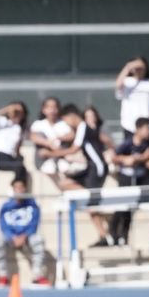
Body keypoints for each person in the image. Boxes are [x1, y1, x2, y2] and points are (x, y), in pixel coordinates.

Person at [59, 104, 112, 247]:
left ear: (71, 116)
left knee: (90, 202)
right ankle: (93, 205)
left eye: (66, 121)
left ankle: (104, 235)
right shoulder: (81, 129)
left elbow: (74, 148)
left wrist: (53, 153)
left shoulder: (83, 126)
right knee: (64, 184)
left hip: (97, 168)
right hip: (90, 168)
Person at [109, 117, 149, 245]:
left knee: (131, 208)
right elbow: (115, 157)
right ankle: (113, 233)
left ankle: (124, 236)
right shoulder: (128, 143)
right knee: (121, 206)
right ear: (139, 129)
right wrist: (127, 159)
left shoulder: (147, 145)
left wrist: (141, 158)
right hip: (126, 178)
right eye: (146, 128)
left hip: (138, 178)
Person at [0, 174, 47, 286]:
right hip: (11, 237)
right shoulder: (6, 206)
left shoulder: (32, 205)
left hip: (26, 237)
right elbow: (3, 225)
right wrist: (12, 236)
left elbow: (34, 223)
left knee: (38, 240)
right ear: (13, 189)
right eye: (16, 187)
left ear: (25, 188)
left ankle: (38, 275)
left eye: (21, 187)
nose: (19, 190)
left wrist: (25, 236)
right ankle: (3, 276)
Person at [30, 97, 79, 190]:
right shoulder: (38, 124)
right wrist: (48, 143)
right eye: (49, 107)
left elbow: (72, 135)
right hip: (44, 160)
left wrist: (59, 138)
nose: (52, 110)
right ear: (43, 110)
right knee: (50, 168)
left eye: (54, 107)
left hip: (61, 158)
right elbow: (33, 137)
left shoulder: (63, 123)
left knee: (66, 168)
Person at [0, 100, 28, 174]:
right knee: (19, 168)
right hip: (0, 154)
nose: (17, 114)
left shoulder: (21, 128)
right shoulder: (3, 122)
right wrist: (7, 109)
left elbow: (18, 147)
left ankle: (18, 185)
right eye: (16, 112)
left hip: (10, 156)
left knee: (21, 167)